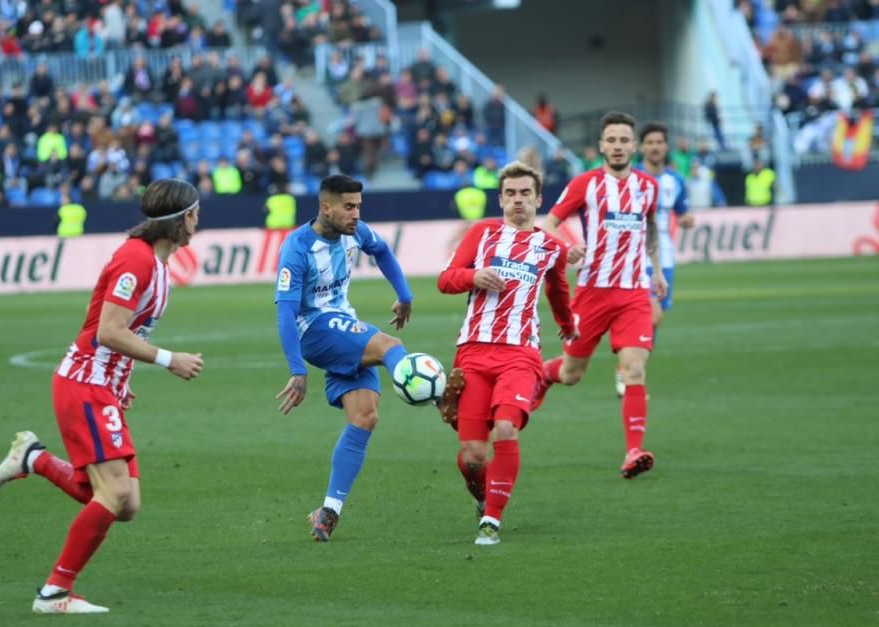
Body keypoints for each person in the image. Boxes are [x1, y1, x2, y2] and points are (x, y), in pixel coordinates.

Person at [0, 179, 206, 614]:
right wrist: (168, 359)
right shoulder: (136, 260)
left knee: (126, 505)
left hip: (101, 385)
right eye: (195, 214)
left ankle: (34, 458)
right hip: (84, 383)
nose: (199, 221)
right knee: (116, 493)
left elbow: (123, 334)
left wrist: (120, 382)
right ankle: (54, 593)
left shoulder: (157, 264)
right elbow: (108, 331)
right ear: (181, 220)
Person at [435, 161, 577, 546]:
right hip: (473, 354)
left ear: (538, 199)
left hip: (520, 353)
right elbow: (445, 280)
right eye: (511, 194)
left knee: (505, 428)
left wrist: (567, 324)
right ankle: (483, 497)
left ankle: (492, 523)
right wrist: (472, 276)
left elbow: (558, 290)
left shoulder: (551, 247)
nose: (518, 200)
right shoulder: (482, 233)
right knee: (473, 455)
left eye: (525, 193)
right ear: (500, 199)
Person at [274, 174, 414, 542]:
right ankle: (426, 389)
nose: (355, 214)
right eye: (349, 207)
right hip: (315, 331)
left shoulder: (356, 232)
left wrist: (405, 295)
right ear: (326, 207)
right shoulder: (298, 248)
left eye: (358, 207)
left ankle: (328, 512)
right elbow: (286, 312)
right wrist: (296, 369)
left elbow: (382, 251)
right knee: (388, 345)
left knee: (365, 417)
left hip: (342, 325)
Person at [538, 111, 664, 480]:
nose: (618, 146)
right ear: (602, 146)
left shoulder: (647, 187)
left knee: (634, 369)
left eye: (625, 140)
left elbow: (651, 227)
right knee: (572, 373)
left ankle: (633, 451)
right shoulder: (585, 184)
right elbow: (549, 223)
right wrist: (566, 249)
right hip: (592, 292)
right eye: (612, 140)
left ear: (634, 145)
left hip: (634, 293)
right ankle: (543, 374)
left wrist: (655, 270)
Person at [614, 122, 694, 397]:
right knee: (651, 313)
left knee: (655, 320)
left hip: (665, 258)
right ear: (641, 147)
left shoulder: (675, 181)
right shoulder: (629, 180)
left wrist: (685, 219)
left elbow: (682, 210)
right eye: (650, 142)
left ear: (666, 146)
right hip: (635, 257)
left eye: (660, 142)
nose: (655, 147)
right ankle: (630, 375)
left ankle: (629, 368)